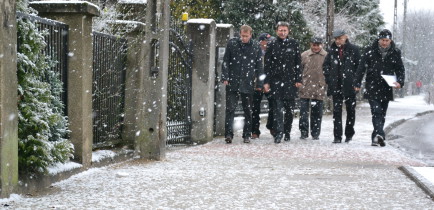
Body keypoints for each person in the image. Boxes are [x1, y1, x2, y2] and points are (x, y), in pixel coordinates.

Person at [354, 29, 405, 147]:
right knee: (376, 111)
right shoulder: (370, 51)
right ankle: (380, 134)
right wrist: (357, 83)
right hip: (372, 85)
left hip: (386, 86)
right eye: (382, 40)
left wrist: (400, 82)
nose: (384, 43)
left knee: (382, 113)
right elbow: (361, 68)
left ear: (390, 40)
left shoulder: (395, 52)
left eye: (387, 40)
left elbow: (400, 69)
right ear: (379, 39)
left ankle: (376, 138)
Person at [221, 25, 264, 144]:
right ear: (239, 34)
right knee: (230, 109)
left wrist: (259, 83)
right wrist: (225, 76)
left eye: (246, 36)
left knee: (248, 110)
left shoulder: (256, 46)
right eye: (242, 36)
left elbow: (259, 66)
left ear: (250, 35)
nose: (244, 38)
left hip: (248, 82)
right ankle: (229, 134)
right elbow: (226, 61)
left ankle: (247, 134)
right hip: (233, 81)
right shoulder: (232, 43)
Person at [263, 21, 302, 143]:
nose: (283, 32)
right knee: (277, 108)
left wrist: (298, 79)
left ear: (288, 31)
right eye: (280, 30)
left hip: (290, 81)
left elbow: (298, 63)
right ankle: (279, 132)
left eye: (285, 30)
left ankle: (287, 132)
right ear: (276, 31)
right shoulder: (272, 45)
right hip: (276, 81)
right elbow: (267, 65)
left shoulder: (294, 44)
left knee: (289, 110)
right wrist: (266, 81)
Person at [323, 29, 360, 144]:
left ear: (346, 37)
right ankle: (337, 136)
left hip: (350, 85)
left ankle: (349, 134)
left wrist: (356, 82)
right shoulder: (332, 50)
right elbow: (326, 66)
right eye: (336, 39)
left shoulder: (354, 50)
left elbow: (359, 68)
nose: (338, 41)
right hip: (336, 85)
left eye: (340, 38)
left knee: (350, 111)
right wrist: (329, 78)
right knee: (337, 111)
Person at [299, 37, 327, 140]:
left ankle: (315, 133)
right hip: (305, 87)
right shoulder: (304, 55)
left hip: (319, 87)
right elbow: (299, 70)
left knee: (317, 113)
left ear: (322, 45)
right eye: (314, 45)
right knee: (303, 113)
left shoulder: (326, 56)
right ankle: (303, 132)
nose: (316, 47)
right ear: (311, 44)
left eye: (318, 45)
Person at [251, 33, 274, 139]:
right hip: (256, 83)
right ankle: (255, 130)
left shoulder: (272, 52)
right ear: (261, 42)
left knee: (274, 106)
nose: (268, 43)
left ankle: (271, 125)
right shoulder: (254, 51)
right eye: (266, 41)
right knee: (255, 109)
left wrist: (267, 82)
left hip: (269, 83)